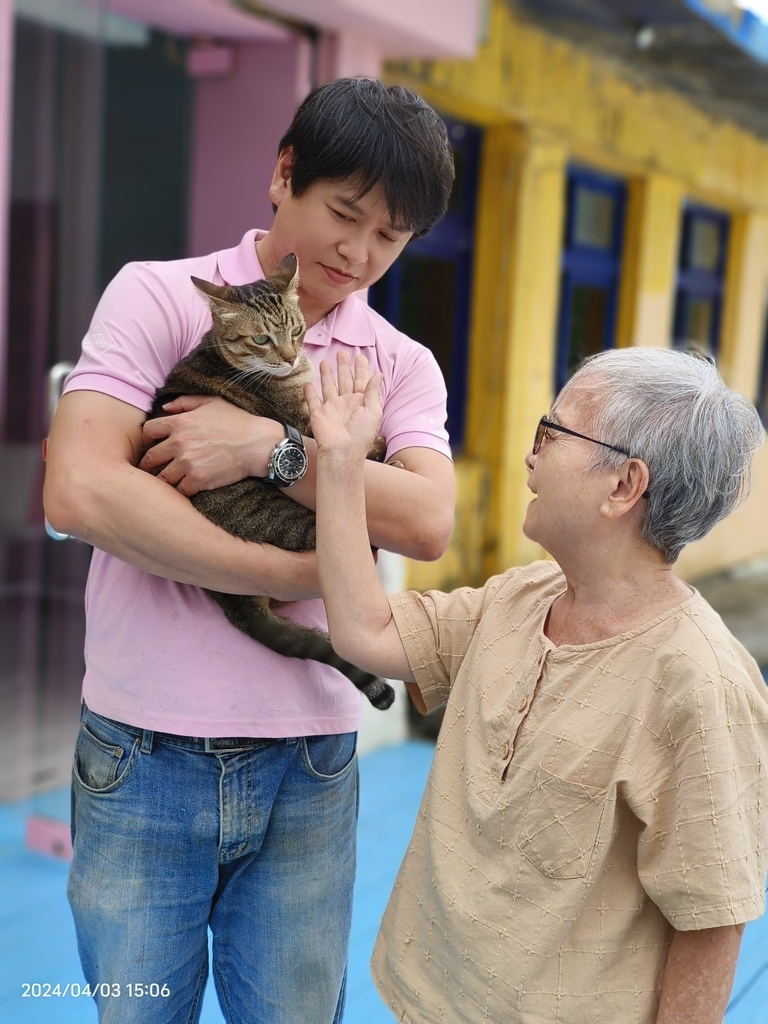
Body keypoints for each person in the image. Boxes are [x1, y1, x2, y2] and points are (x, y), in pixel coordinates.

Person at [42, 77, 456, 1024]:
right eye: (344, 215)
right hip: (142, 752)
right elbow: (80, 486)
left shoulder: (401, 363)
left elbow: (427, 521)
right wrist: (312, 571)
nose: (358, 254)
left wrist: (264, 450)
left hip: (309, 763)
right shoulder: (156, 294)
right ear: (282, 175)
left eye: (391, 237)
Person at [307, 346, 768, 1024]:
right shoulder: (523, 596)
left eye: (551, 434)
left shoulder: (699, 679)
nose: (530, 455)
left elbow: (712, 917)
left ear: (624, 485)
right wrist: (341, 465)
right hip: (424, 1001)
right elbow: (365, 631)